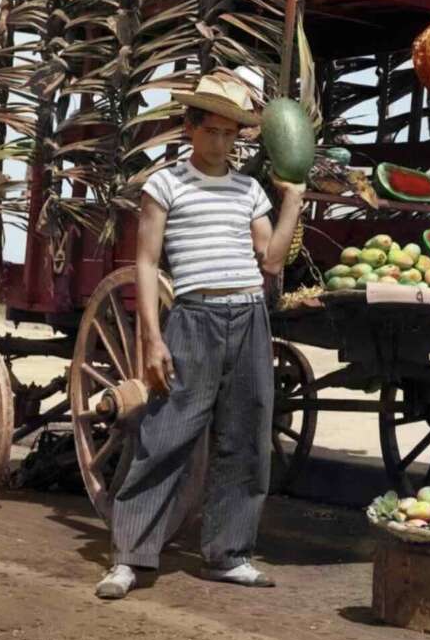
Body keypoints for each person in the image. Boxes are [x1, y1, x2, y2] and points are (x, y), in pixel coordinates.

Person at [95, 70, 304, 599]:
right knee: (166, 436)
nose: (223, 143)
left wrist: (293, 200)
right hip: (193, 318)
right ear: (189, 128)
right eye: (213, 131)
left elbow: (271, 261)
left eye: (232, 134)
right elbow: (145, 263)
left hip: (249, 316)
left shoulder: (249, 189)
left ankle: (229, 555)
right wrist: (152, 339)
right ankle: (129, 558)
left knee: (247, 438)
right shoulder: (164, 185)